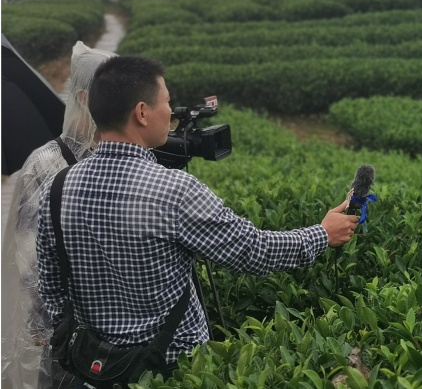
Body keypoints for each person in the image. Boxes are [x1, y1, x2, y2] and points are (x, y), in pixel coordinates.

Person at [36, 55, 358, 382]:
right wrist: (322, 234)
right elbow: (253, 252)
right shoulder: (176, 191)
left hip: (93, 368)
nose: (171, 113)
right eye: (167, 102)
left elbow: (51, 288)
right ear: (142, 113)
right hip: (171, 371)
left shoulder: (56, 188)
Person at [2, 41, 115, 389]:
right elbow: (28, 255)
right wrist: (45, 325)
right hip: (68, 332)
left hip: (114, 327)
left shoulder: (121, 156)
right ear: (84, 98)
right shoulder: (45, 163)